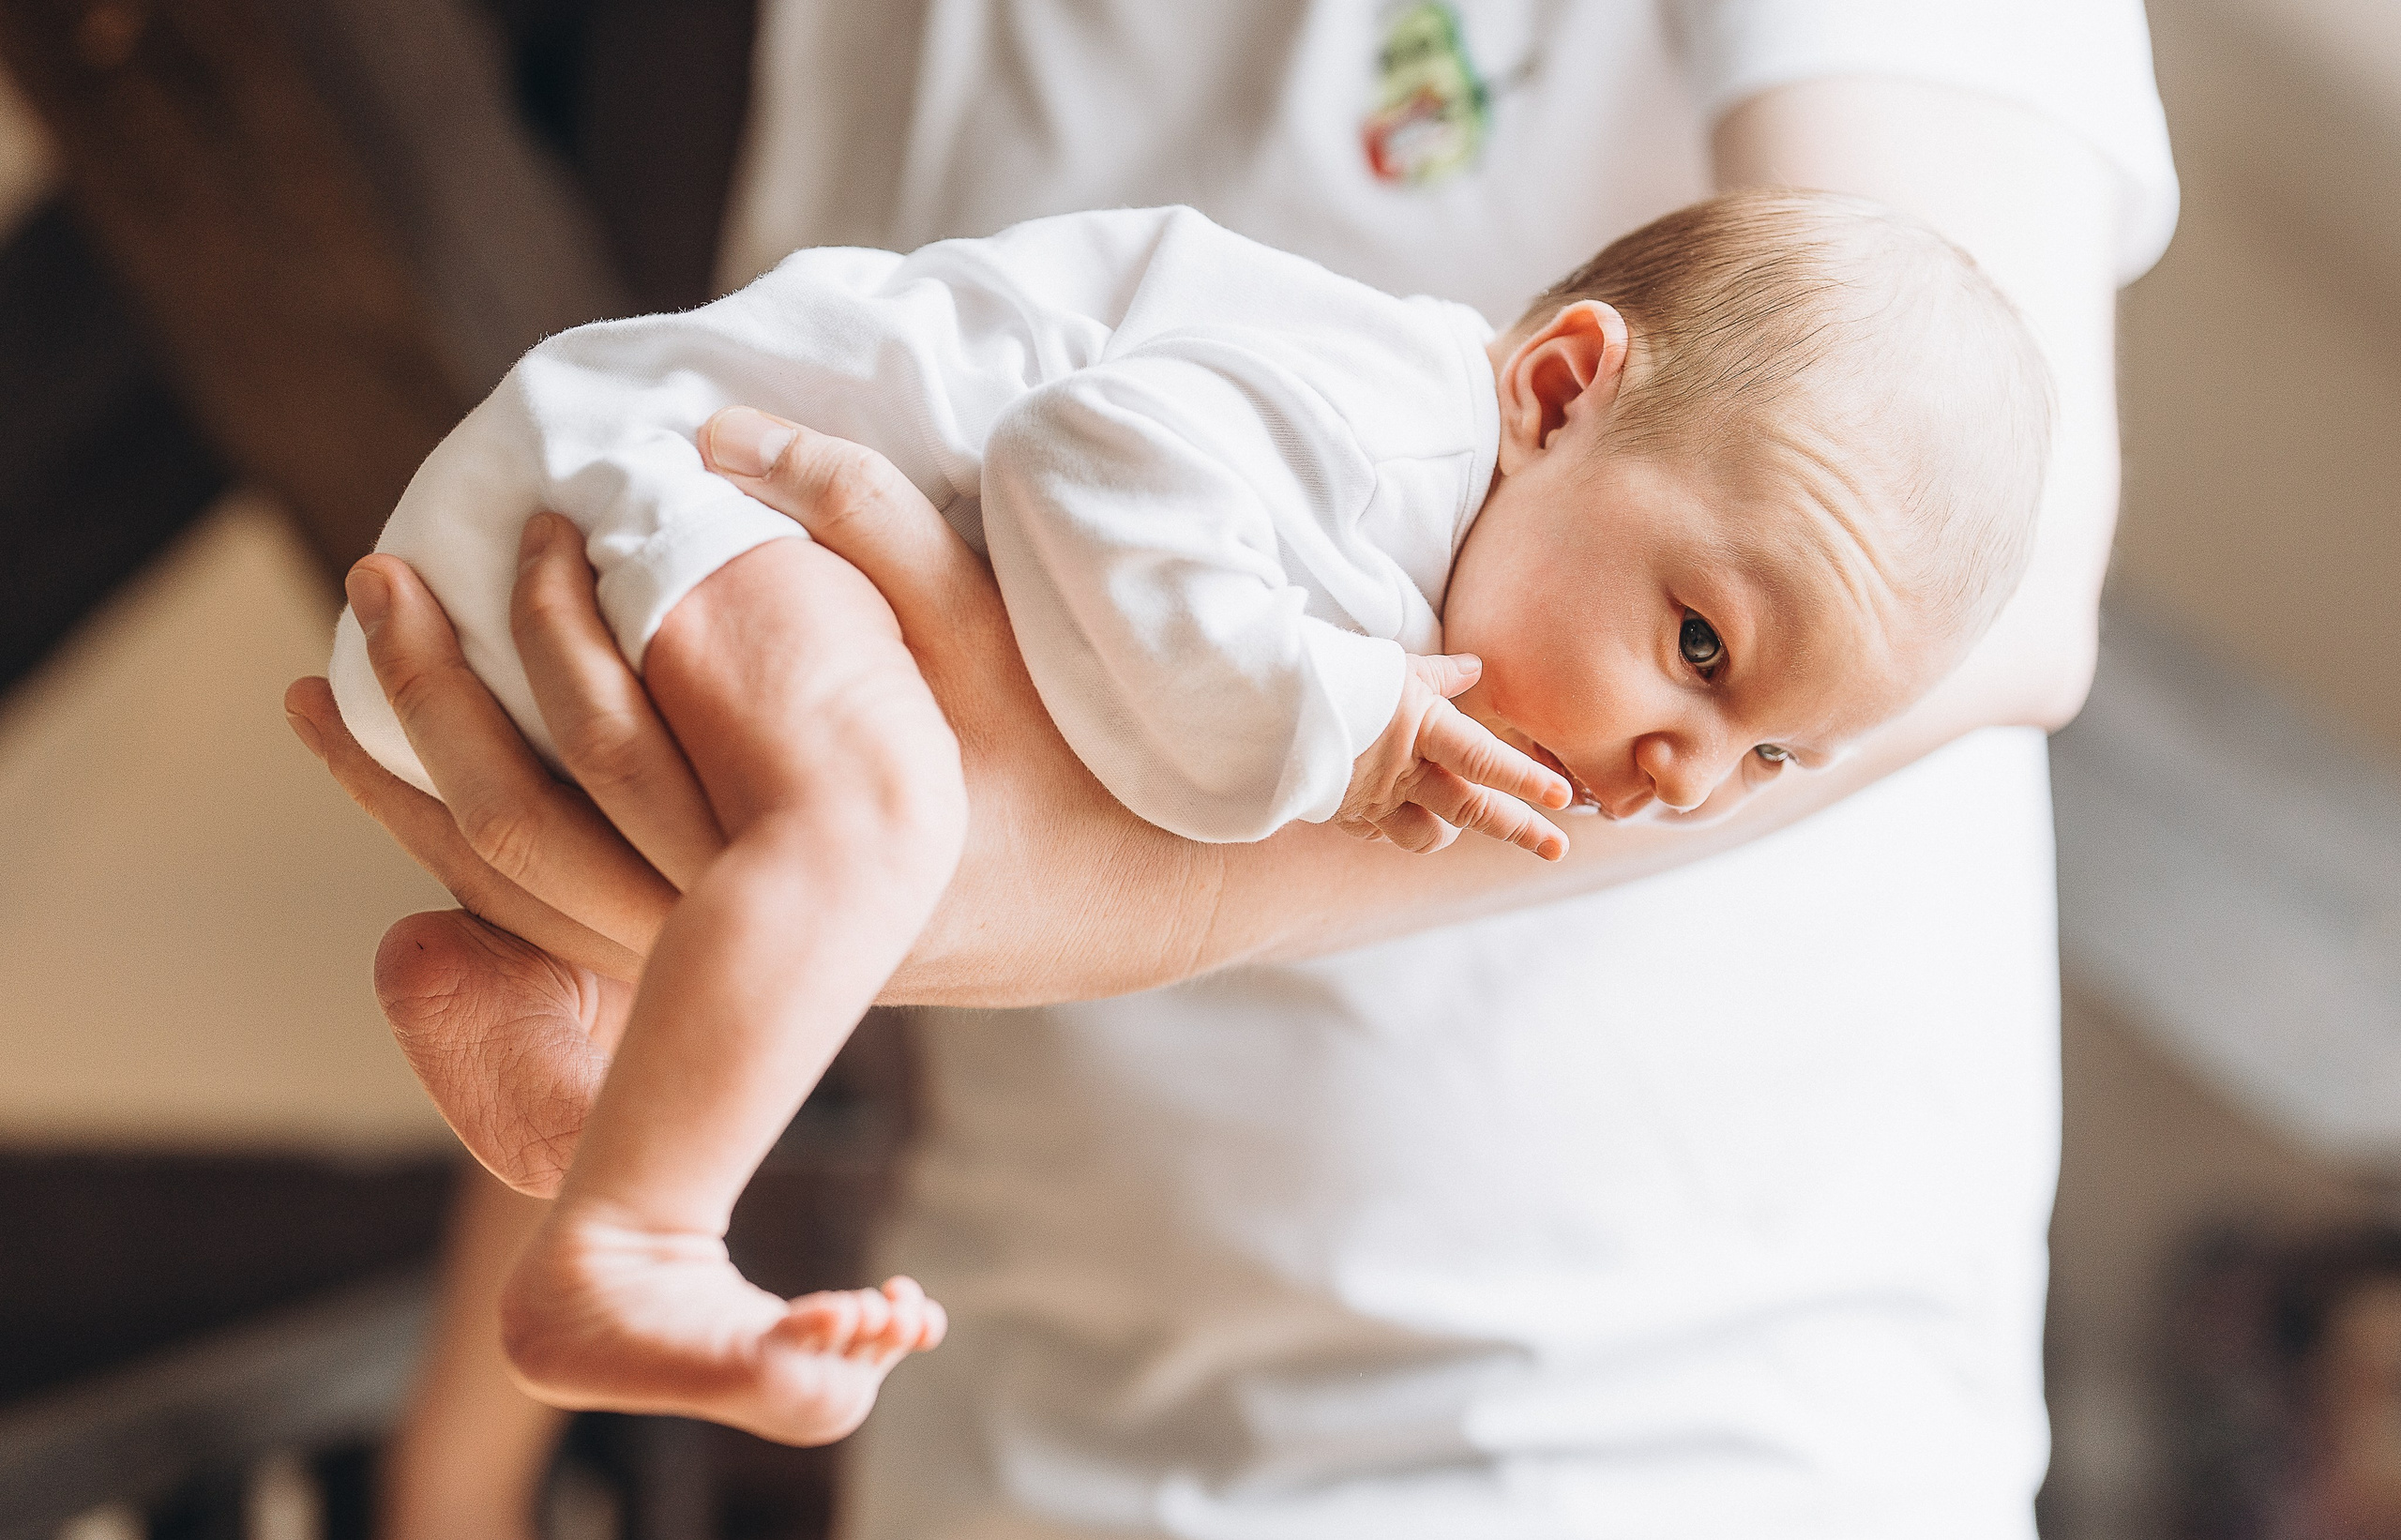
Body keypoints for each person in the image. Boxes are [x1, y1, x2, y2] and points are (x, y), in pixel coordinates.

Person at [288, 2, 2177, 1534]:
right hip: (1015, 1404)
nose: (1689, 774)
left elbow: (2003, 609)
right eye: (1692, 657)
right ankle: (598, 1149)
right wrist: (471, 1445)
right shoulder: (1312, 388)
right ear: (1548, 389)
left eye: (1757, 743)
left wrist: (1149, 890)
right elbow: (837, 545)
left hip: (1656, 1426)